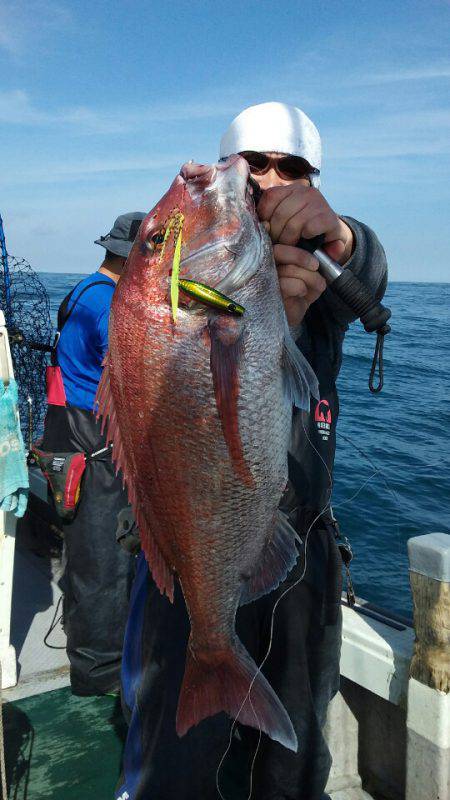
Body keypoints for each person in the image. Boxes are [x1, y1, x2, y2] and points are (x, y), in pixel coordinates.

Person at [116, 103, 388, 800]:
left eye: (290, 167)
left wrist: (343, 238)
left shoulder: (326, 268)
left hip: (299, 554)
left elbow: (371, 269)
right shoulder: (186, 276)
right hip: (189, 557)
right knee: (174, 767)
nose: (268, 177)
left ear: (314, 183)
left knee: (292, 773)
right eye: (255, 163)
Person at [40, 211, 146, 696]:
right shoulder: (110, 306)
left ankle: (94, 654)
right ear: (132, 259)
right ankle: (99, 677)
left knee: (86, 557)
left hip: (71, 442)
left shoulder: (84, 290)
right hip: (96, 451)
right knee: (105, 565)